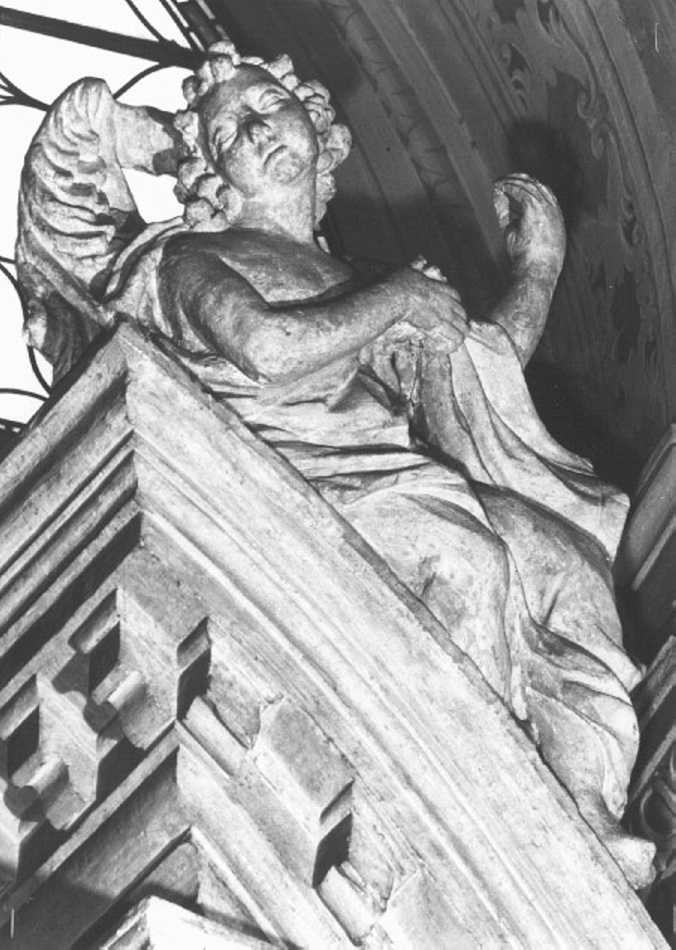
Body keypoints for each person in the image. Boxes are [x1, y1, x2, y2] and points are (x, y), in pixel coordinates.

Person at [16, 40, 654, 886]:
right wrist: (397, 298)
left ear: (317, 124)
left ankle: (581, 811)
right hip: (295, 486)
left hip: (394, 480)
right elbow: (267, 346)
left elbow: (471, 381)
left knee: (562, 563)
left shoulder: (350, 276)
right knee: (465, 560)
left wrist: (539, 268)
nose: (257, 130)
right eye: (229, 131)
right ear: (212, 174)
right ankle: (463, 808)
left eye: (267, 107)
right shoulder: (195, 259)